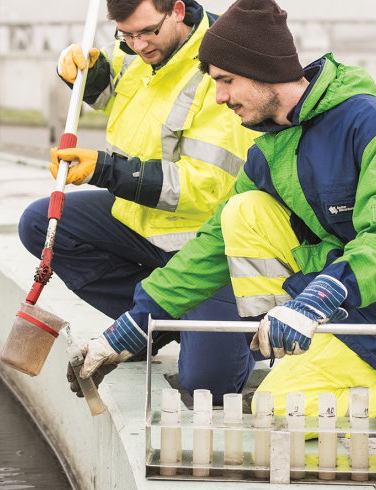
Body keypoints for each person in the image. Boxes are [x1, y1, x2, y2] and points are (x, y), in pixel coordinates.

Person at [74, 0, 376, 445]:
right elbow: (213, 244)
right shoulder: (271, 148)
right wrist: (130, 328)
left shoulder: (370, 127)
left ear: (261, 69)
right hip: (339, 285)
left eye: (225, 81)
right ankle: (291, 355)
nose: (219, 97)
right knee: (243, 212)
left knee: (276, 412)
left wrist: (317, 300)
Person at [17, 0, 260, 401]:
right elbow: (125, 97)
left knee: (206, 388)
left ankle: (242, 327)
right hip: (143, 223)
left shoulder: (222, 69)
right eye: (127, 34)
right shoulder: (135, 48)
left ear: (178, 10)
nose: (139, 44)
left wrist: (104, 169)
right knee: (40, 223)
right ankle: (156, 325)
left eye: (147, 31)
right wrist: (90, 76)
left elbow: (204, 188)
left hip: (209, 246)